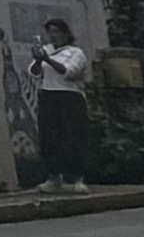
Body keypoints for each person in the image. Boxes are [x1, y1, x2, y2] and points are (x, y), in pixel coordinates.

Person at [29, 27, 101, 191]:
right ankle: (54, 177)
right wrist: (39, 60)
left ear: (65, 34)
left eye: (56, 31)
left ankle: (77, 178)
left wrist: (47, 59)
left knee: (73, 136)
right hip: (48, 95)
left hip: (70, 97)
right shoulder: (46, 50)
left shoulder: (75, 52)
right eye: (50, 32)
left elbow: (68, 72)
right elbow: (34, 72)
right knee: (49, 137)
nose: (53, 35)